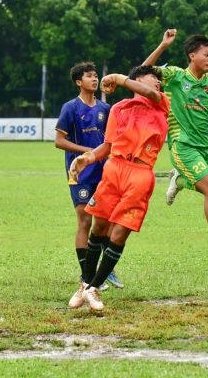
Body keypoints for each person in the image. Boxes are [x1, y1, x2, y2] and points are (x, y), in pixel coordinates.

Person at [67, 65, 170, 312]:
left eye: (159, 80)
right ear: (138, 79)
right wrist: (87, 158)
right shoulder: (118, 108)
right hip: (114, 169)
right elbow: (108, 145)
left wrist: (120, 78)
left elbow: (152, 94)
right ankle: (86, 284)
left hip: (141, 173)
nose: (158, 82)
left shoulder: (160, 103)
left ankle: (92, 288)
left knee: (119, 234)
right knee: (99, 227)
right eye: (153, 77)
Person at [142, 29, 208, 270]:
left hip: (206, 146)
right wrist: (163, 45)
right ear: (192, 55)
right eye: (206, 54)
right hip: (183, 144)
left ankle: (180, 181)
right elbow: (141, 72)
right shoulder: (176, 76)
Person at [54, 62, 123, 290]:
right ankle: (87, 276)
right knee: (85, 220)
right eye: (89, 76)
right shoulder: (70, 108)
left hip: (104, 172)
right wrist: (87, 153)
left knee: (109, 220)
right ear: (78, 82)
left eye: (96, 76)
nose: (94, 79)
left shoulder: (106, 108)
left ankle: (106, 268)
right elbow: (59, 141)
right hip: (80, 172)